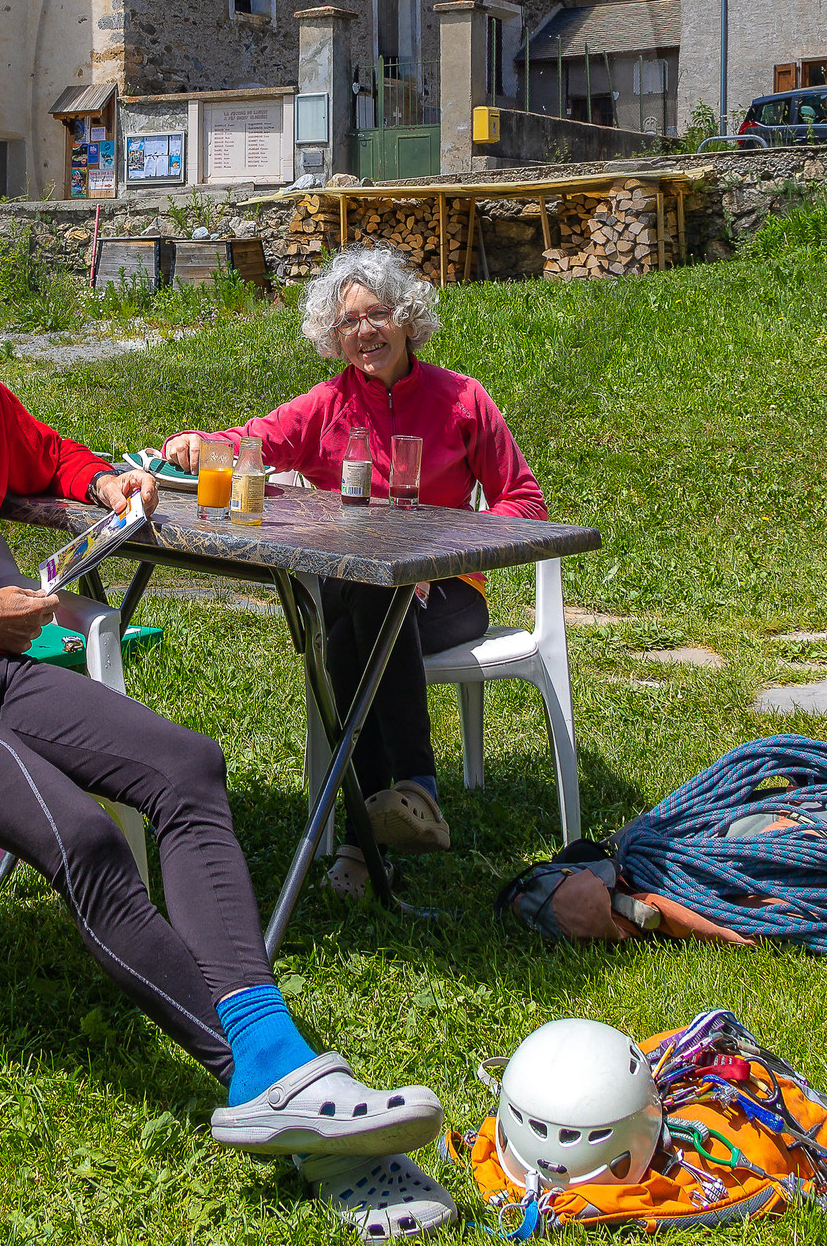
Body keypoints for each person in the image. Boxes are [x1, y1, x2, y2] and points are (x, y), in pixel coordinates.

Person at [0, 223, 445, 1204]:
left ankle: (272, 1055)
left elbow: (48, 452)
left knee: (188, 766)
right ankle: (262, 1077)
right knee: (79, 834)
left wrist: (98, 478)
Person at [161, 242, 546, 890]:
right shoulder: (326, 404)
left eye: (379, 313)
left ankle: (365, 843)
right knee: (363, 585)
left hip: (447, 593)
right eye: (349, 321)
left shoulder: (463, 399)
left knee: (346, 632)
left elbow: (525, 502)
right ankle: (411, 797)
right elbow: (256, 440)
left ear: (407, 317)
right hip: (357, 589)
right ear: (334, 338)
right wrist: (203, 445)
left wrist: (440, 545)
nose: (365, 330)